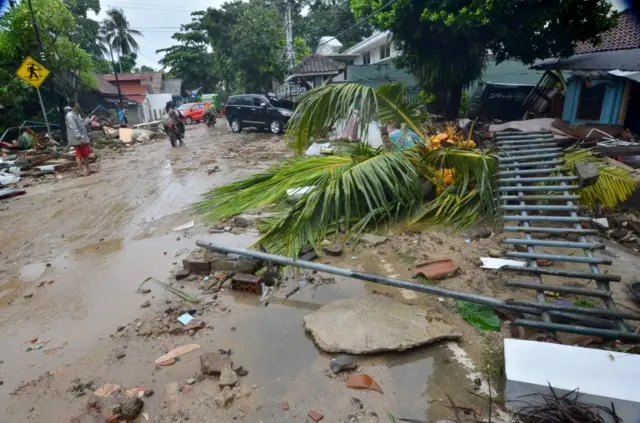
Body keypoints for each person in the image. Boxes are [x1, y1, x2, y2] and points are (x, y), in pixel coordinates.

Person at [65, 103, 92, 176]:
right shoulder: (70, 115)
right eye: (77, 104)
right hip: (78, 139)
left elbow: (80, 125)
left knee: (85, 154)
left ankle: (88, 169)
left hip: (82, 137)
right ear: (74, 105)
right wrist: (80, 137)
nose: (79, 105)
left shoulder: (76, 114)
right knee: (79, 155)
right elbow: (73, 128)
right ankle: (81, 171)